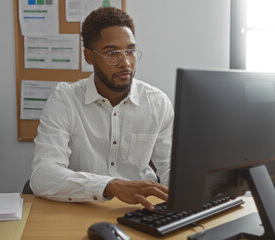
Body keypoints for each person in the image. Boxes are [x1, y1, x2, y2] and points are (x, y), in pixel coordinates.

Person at [30, 7, 174, 211]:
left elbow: (169, 166)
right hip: (80, 209)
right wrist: (110, 186)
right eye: (112, 53)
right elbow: (42, 175)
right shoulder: (65, 100)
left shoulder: (158, 103)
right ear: (89, 56)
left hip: (141, 211)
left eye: (130, 51)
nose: (125, 63)